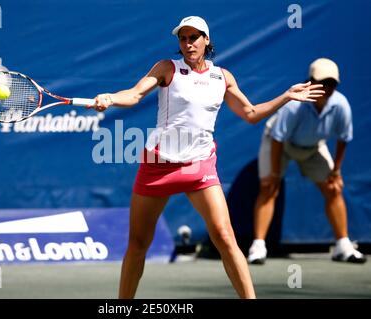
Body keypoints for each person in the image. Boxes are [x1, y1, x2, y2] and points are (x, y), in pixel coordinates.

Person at [91, 16, 324, 299]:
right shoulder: (167, 68)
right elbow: (135, 94)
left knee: (226, 237)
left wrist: (286, 96)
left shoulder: (221, 77)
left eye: (194, 37)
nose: (188, 43)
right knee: (138, 243)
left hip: (199, 166)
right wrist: (111, 98)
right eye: (183, 38)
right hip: (158, 166)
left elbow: (250, 114)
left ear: (206, 40)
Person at [247, 58, 367, 265]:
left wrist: (336, 171)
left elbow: (343, 139)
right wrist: (274, 174)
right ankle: (258, 246)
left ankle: (342, 246)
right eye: (322, 83)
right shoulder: (294, 105)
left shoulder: (341, 105)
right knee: (269, 188)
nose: (327, 88)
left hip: (313, 148)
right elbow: (278, 138)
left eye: (332, 84)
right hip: (279, 144)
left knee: (333, 188)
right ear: (310, 82)